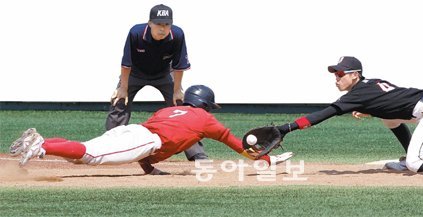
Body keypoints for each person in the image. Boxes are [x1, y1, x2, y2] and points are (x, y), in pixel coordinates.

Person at [9, 85, 294, 175]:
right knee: (90, 154)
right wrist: (265, 159)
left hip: (133, 132)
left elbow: (160, 144)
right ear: (206, 105)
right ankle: (42, 146)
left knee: (84, 148)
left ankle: (41, 141)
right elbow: (239, 146)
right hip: (144, 140)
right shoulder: (207, 121)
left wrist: (151, 170)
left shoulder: (169, 110)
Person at [274, 56, 423, 176]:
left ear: (355, 75)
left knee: (415, 164)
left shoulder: (357, 94)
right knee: (388, 119)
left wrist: (287, 128)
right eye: (335, 75)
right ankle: (408, 155)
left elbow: (324, 114)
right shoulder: (369, 84)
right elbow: (389, 101)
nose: (336, 79)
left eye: (340, 74)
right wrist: (368, 109)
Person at [105, 4, 208, 161]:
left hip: (164, 73)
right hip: (135, 73)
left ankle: (196, 153)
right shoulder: (136, 33)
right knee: (119, 100)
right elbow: (126, 63)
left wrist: (177, 90)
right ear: (150, 23)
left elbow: (179, 65)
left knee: (180, 106)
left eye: (166, 24)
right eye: (159, 24)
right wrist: (123, 88)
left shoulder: (178, 34)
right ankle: (110, 149)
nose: (162, 28)